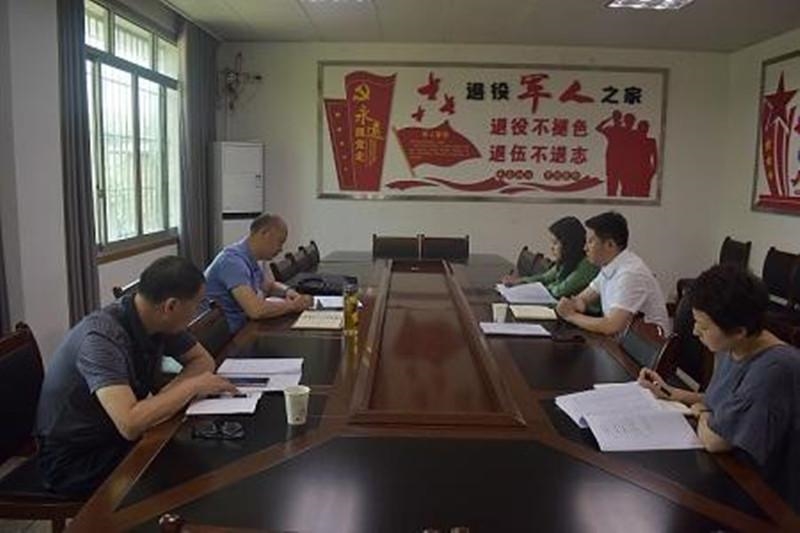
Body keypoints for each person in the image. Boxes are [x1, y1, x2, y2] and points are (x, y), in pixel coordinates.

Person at [35, 256, 237, 496]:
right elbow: (130, 424)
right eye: (196, 305)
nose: (197, 311)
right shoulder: (101, 339)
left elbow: (202, 361)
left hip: (112, 436)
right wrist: (190, 387)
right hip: (75, 458)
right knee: (186, 473)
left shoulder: (156, 318)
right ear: (171, 306)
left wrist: (169, 396)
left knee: (198, 451)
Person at [638, 264, 800, 511]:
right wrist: (670, 392)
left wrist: (702, 412)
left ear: (739, 331)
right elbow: (724, 400)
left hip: (767, 497)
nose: (695, 332)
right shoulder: (734, 345)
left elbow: (716, 440)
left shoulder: (774, 369)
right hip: (734, 470)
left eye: (703, 326)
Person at [555, 211, 669, 335]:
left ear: (610, 245)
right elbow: (583, 299)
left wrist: (570, 316)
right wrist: (573, 304)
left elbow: (611, 326)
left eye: (590, 242)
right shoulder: (609, 266)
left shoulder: (630, 274)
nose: (585, 248)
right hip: (621, 341)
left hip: (646, 345)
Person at [204, 213, 312, 333]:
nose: (281, 249)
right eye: (280, 242)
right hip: (227, 337)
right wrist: (292, 306)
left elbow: (269, 286)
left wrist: (289, 292)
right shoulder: (232, 262)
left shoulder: (248, 257)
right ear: (264, 233)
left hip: (241, 328)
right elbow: (255, 310)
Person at [501, 216, 599, 299]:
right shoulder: (567, 261)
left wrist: (532, 288)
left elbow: (559, 291)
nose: (551, 247)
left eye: (555, 243)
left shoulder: (587, 264)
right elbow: (544, 278)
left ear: (568, 244)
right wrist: (521, 281)